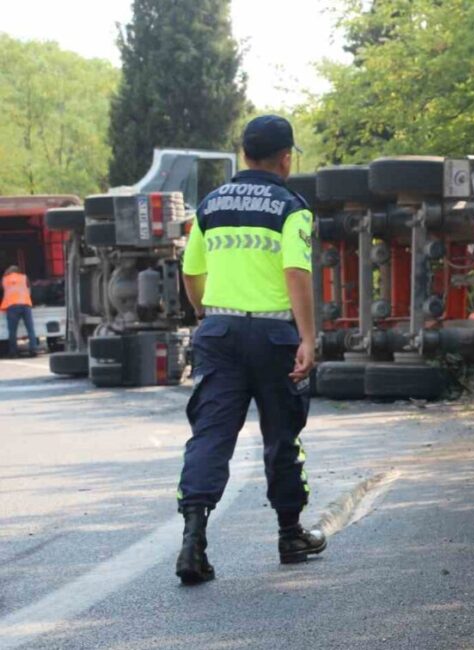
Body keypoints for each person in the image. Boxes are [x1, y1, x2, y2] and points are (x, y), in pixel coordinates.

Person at [174, 115, 324, 585]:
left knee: (211, 434)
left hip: (219, 333)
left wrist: (206, 313)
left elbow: (191, 271)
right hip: (275, 335)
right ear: (286, 159)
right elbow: (296, 272)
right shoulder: (292, 207)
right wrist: (308, 337)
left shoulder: (211, 204)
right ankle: (290, 535)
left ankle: (193, 541)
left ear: (243, 154)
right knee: (282, 434)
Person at [2, 265, 37, 358]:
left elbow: (3, 290)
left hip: (12, 306)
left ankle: (14, 352)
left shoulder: (5, 279)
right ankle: (33, 349)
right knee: (30, 329)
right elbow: (29, 290)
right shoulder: (24, 277)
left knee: (12, 331)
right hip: (25, 304)